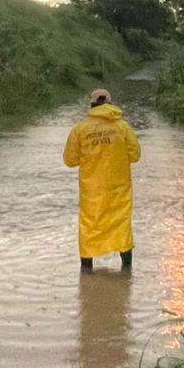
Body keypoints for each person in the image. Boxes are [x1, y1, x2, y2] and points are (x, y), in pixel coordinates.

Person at [62, 88, 141, 272]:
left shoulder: (80, 129)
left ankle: (86, 272)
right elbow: (135, 155)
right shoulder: (122, 127)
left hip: (92, 191)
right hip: (118, 190)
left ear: (91, 105)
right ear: (110, 104)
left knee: (90, 227)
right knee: (121, 225)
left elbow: (70, 160)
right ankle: (126, 272)